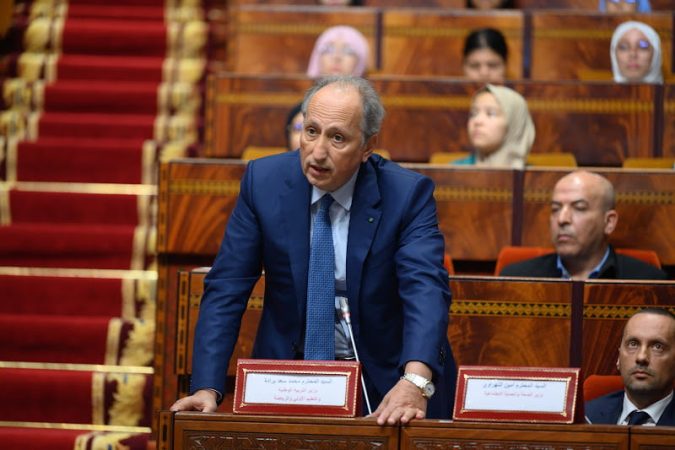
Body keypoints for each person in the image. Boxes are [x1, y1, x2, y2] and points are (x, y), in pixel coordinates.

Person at [171, 75, 457, 425]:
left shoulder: (407, 195)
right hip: (288, 380)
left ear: (368, 147)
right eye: (311, 131)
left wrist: (414, 381)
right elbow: (227, 287)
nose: (318, 152)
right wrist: (207, 387)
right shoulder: (263, 182)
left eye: (337, 138)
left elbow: (425, 290)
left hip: (385, 379)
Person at [500, 171, 668, 280]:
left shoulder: (648, 282)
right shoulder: (517, 277)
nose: (562, 219)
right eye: (555, 209)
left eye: (579, 208)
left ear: (609, 222)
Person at [586, 307, 675, 426]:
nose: (641, 357)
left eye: (657, 347)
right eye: (633, 344)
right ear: (618, 358)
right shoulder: (587, 417)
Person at [454, 84, 534, 168]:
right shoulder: (452, 171)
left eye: (491, 114)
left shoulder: (534, 177)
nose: (477, 121)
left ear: (514, 124)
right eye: (474, 114)